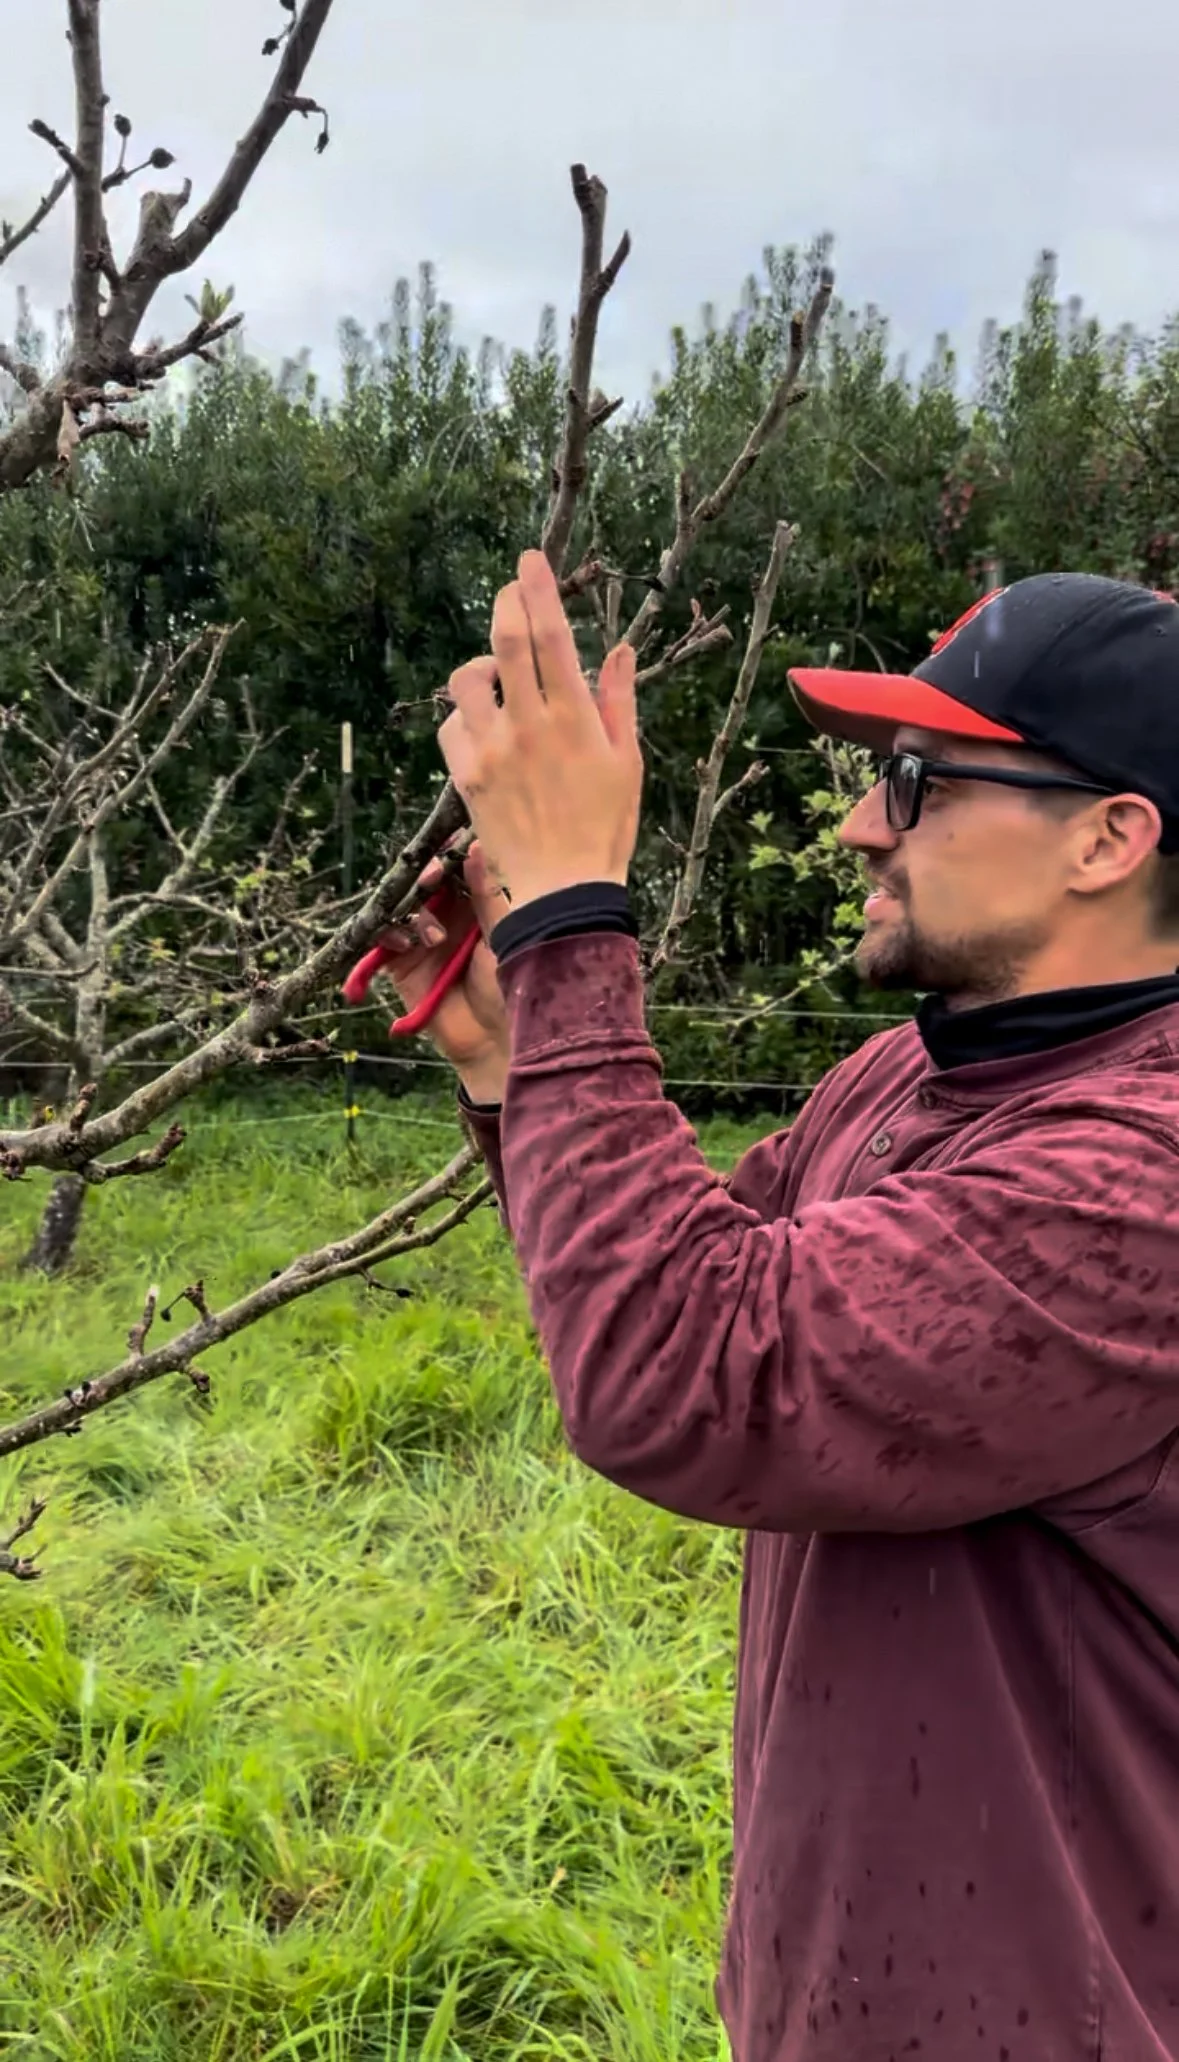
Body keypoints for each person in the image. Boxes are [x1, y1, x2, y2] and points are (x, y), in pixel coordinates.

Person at [381, 556, 1179, 2062]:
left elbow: (687, 1373)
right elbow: (662, 1289)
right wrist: (509, 1050)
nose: (862, 822)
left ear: (1107, 837)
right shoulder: (908, 1079)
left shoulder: (1138, 1177)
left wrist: (571, 918)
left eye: (920, 780)